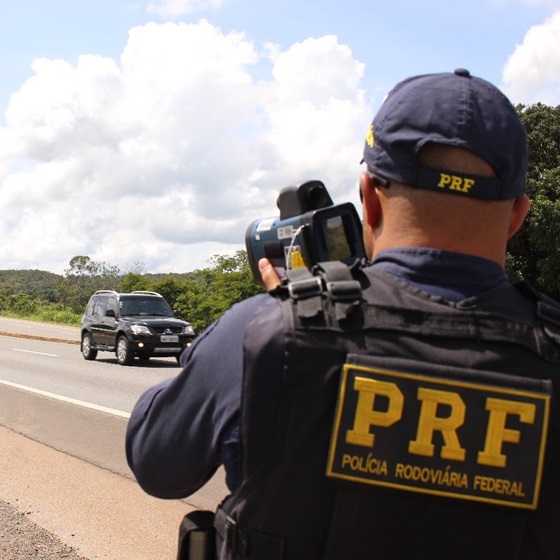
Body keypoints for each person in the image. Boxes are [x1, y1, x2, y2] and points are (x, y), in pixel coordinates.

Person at [125, 69, 560, 559]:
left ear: (369, 196)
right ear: (519, 216)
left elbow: (156, 462)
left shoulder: (265, 332)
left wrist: (279, 312)